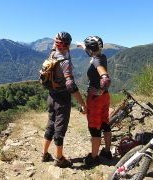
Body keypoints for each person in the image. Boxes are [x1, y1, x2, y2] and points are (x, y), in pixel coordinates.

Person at [42, 31, 87, 168]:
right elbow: (70, 85)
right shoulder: (65, 62)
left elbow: (59, 47)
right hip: (62, 99)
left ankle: (44, 154)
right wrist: (82, 103)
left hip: (51, 96)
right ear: (67, 45)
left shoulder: (53, 53)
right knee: (59, 130)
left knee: (50, 125)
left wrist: (82, 46)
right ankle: (59, 158)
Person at [77, 36, 112, 166]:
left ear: (91, 50)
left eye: (87, 49)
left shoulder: (96, 61)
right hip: (105, 97)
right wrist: (82, 46)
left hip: (95, 98)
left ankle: (94, 157)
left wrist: (99, 91)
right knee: (105, 124)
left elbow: (105, 79)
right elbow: (93, 54)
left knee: (95, 128)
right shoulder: (102, 56)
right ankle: (107, 152)